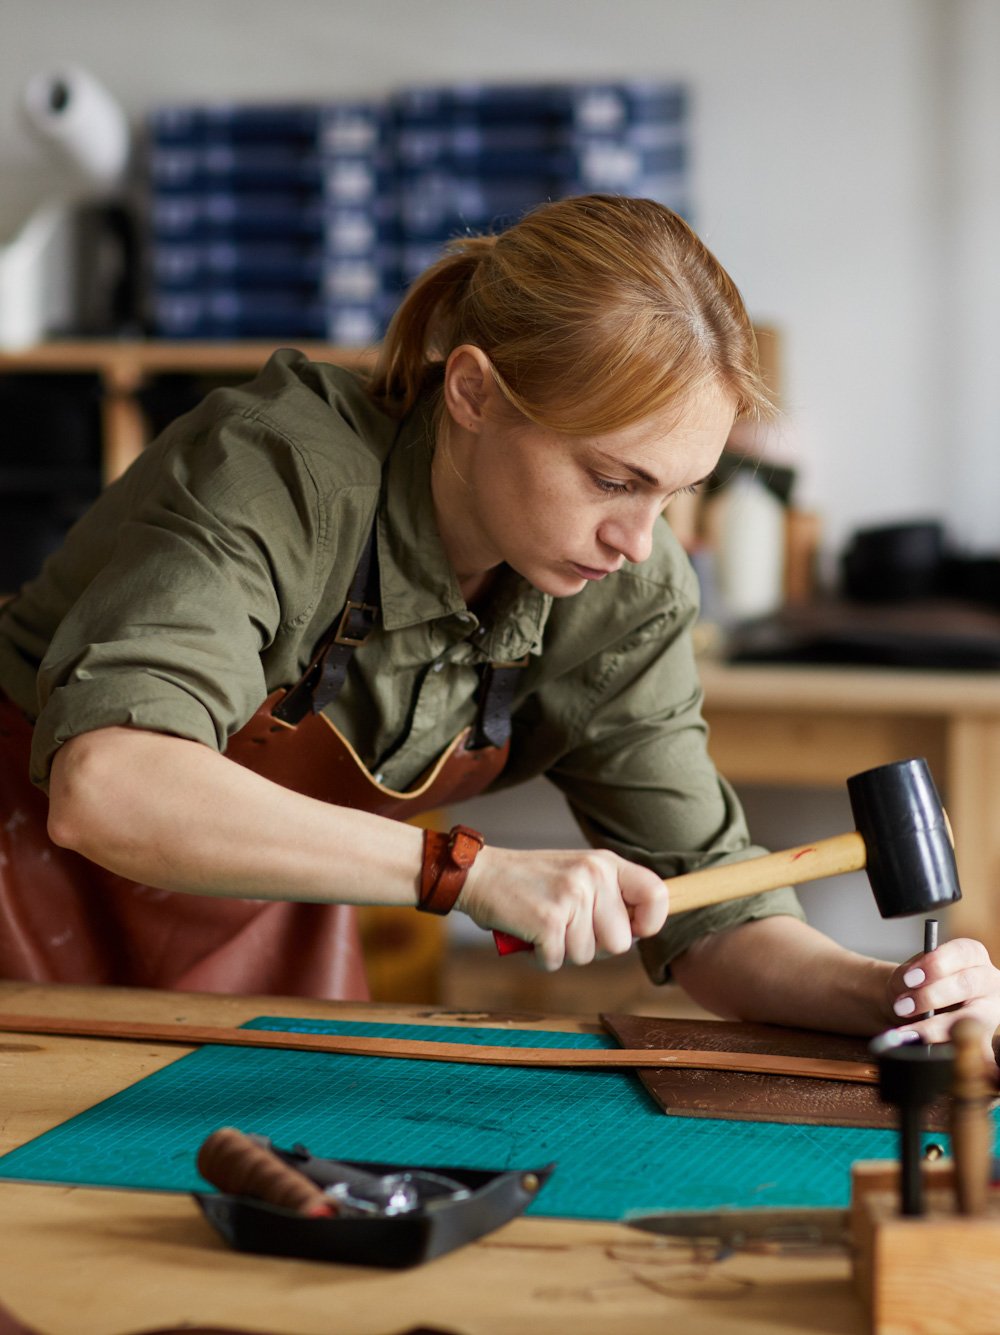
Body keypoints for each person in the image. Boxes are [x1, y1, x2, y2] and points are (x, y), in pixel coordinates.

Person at [0, 193, 997, 1050]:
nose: (638, 542)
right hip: (24, 889)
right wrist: (464, 874)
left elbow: (716, 908)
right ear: (473, 391)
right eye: (612, 478)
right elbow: (112, 785)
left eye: (676, 493)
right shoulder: (277, 474)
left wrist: (886, 999)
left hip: (252, 934)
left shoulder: (621, 595)